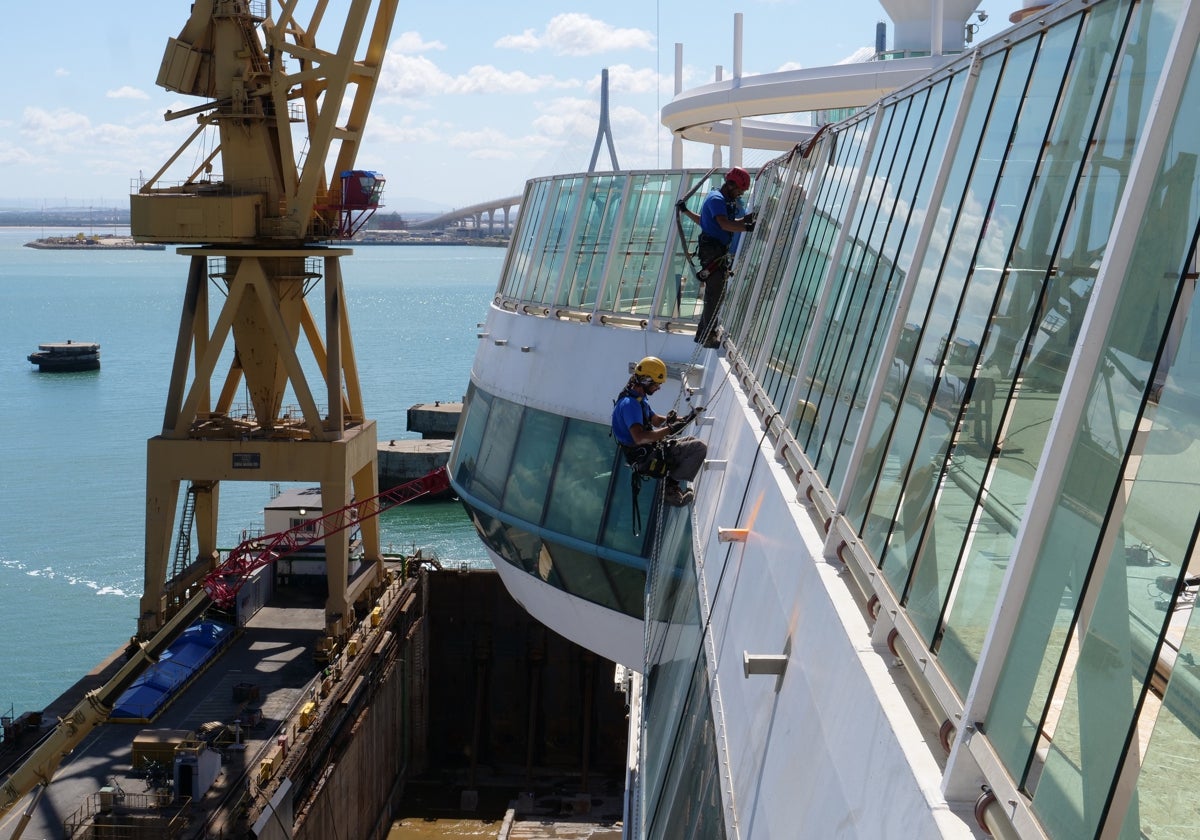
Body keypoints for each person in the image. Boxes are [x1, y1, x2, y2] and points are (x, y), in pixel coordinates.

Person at [611, 356, 707, 507]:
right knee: (699, 448)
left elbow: (655, 420)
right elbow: (640, 438)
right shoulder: (630, 404)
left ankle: (671, 486)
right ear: (646, 381)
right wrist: (670, 428)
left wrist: (684, 419)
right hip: (646, 458)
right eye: (656, 384)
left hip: (649, 451)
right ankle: (671, 490)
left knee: (688, 441)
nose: (659, 388)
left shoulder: (638, 398)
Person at [677, 166, 756, 348]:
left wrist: (747, 219)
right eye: (739, 190)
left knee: (717, 293)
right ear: (730, 184)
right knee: (715, 294)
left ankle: (704, 333)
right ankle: (706, 335)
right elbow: (724, 225)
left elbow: (709, 222)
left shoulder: (720, 200)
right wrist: (747, 228)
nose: (739, 194)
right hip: (712, 250)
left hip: (714, 250)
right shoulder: (717, 200)